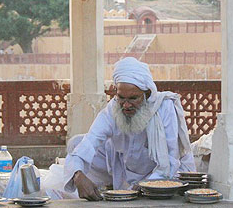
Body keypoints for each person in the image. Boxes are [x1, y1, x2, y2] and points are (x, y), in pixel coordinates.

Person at [63, 57, 196, 201]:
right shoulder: (113, 109)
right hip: (125, 169)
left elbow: (171, 160)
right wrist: (77, 175)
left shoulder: (165, 108)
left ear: (147, 95)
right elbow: (90, 141)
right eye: (121, 98)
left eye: (133, 98)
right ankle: (113, 185)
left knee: (168, 185)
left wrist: (147, 184)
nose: (126, 105)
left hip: (164, 173)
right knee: (77, 143)